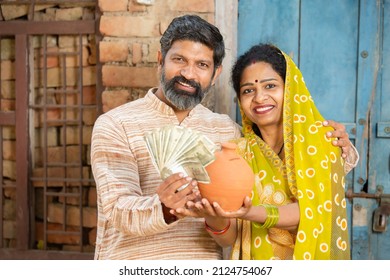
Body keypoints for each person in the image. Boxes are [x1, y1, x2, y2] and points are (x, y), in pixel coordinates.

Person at [91, 15, 357, 260]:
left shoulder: (227, 132)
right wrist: (165, 207)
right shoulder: (115, 125)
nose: (189, 73)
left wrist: (340, 149)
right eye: (179, 60)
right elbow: (116, 210)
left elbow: (283, 172)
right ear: (161, 59)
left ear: (215, 74)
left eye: (202, 65)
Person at [174, 43, 358, 260]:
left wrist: (251, 212)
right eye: (248, 90)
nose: (259, 98)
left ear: (290, 89)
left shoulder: (322, 139)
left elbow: (311, 210)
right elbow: (229, 239)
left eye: (270, 86)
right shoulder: (239, 153)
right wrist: (214, 215)